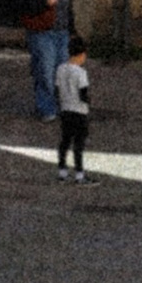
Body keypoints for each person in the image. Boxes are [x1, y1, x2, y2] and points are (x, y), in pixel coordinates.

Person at [26, 0, 72, 119]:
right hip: (43, 32)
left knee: (63, 71)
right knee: (45, 71)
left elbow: (67, 8)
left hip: (62, 32)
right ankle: (46, 108)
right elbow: (26, 7)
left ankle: (61, 105)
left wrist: (72, 29)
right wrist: (44, 3)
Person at [55, 35, 92, 180]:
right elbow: (83, 93)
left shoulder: (60, 69)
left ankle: (62, 171)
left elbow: (57, 89)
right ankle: (79, 173)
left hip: (65, 109)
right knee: (78, 144)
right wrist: (88, 103)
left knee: (65, 141)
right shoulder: (81, 73)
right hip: (79, 111)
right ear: (82, 55)